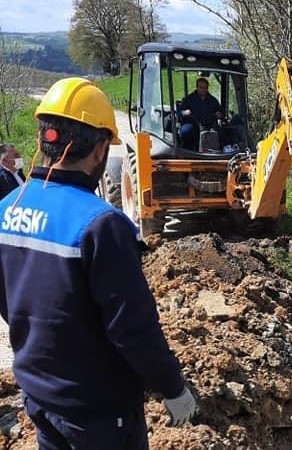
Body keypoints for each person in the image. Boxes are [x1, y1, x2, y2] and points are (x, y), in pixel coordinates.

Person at [0, 77, 197, 450]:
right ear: (101, 149)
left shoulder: (5, 211)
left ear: (45, 137)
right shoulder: (101, 225)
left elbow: (11, 303)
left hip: (40, 397)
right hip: (100, 411)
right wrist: (172, 387)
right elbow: (132, 328)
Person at [178, 77, 223, 150]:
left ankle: (218, 153)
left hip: (209, 125)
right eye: (201, 87)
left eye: (205, 88)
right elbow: (180, 112)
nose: (203, 90)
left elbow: (221, 112)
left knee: (223, 133)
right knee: (185, 131)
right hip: (193, 123)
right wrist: (185, 113)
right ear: (197, 87)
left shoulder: (213, 100)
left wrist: (219, 114)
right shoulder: (189, 99)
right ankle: (187, 152)